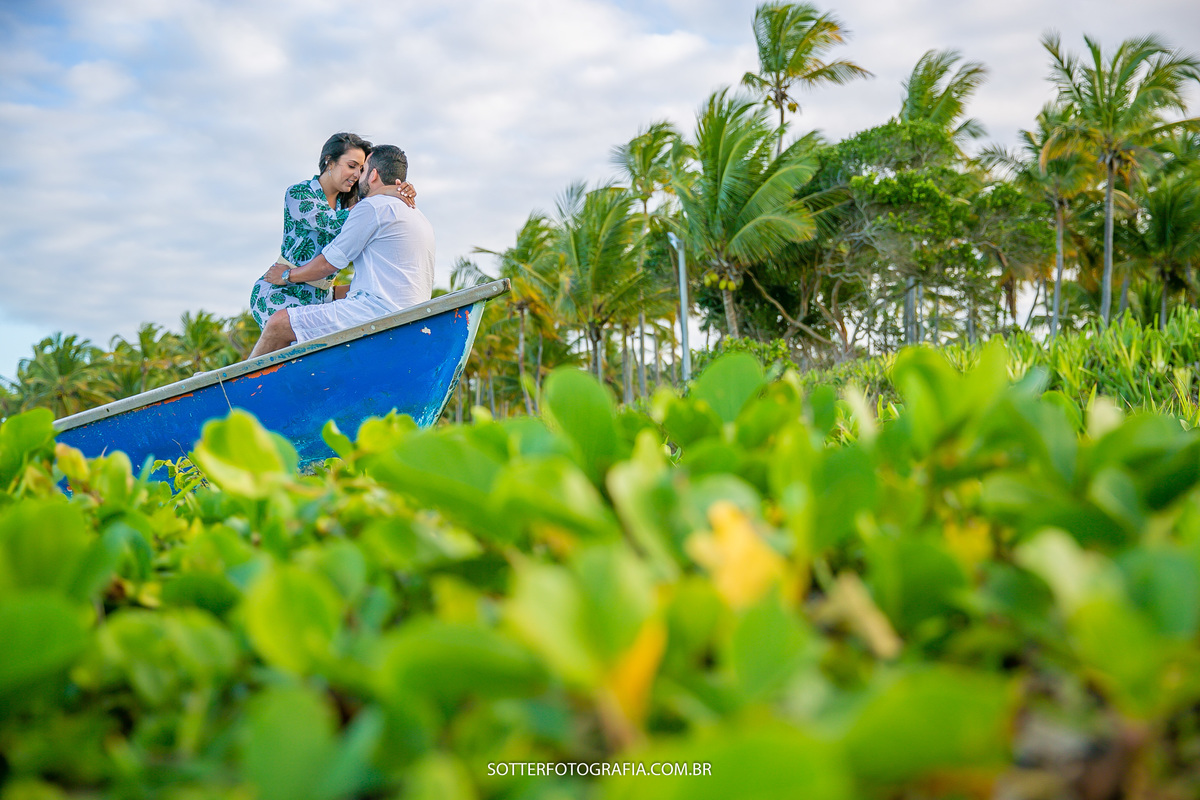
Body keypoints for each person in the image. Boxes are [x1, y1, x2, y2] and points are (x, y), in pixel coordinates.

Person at [249, 144, 434, 357]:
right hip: (281, 289)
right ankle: (234, 388)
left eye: (362, 169)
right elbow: (329, 223)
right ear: (330, 161)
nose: (357, 174)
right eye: (352, 165)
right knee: (284, 342)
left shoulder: (358, 204)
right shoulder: (300, 193)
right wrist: (384, 192)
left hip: (323, 296)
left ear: (372, 174)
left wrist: (384, 193)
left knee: (302, 358)